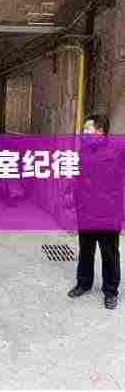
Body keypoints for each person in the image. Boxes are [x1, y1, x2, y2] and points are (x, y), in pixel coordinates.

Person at [67, 114, 123, 309]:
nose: (83, 133)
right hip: (86, 212)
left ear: (100, 130)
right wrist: (72, 200)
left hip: (109, 213)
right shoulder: (84, 150)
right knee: (86, 250)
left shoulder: (118, 149)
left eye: (87, 129)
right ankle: (83, 283)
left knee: (109, 254)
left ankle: (111, 291)